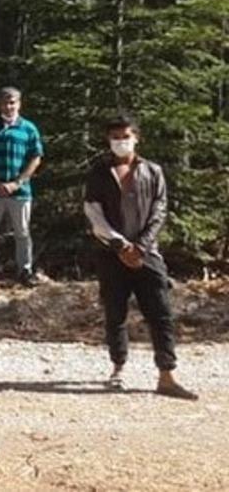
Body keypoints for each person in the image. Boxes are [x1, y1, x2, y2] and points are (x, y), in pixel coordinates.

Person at [83, 116, 197, 400]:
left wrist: (141, 247)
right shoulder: (99, 172)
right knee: (115, 313)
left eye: (125, 136)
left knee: (160, 314)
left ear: (136, 138)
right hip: (110, 254)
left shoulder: (153, 171)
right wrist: (121, 245)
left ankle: (166, 375)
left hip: (148, 254)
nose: (120, 141)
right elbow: (93, 212)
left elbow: (160, 210)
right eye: (115, 137)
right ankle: (117, 369)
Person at [0, 86, 44, 286]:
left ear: (19, 104)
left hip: (20, 191)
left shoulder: (29, 128)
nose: (9, 106)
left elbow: (36, 158)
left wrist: (18, 182)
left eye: (12, 102)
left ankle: (25, 270)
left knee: (22, 232)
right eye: (5, 102)